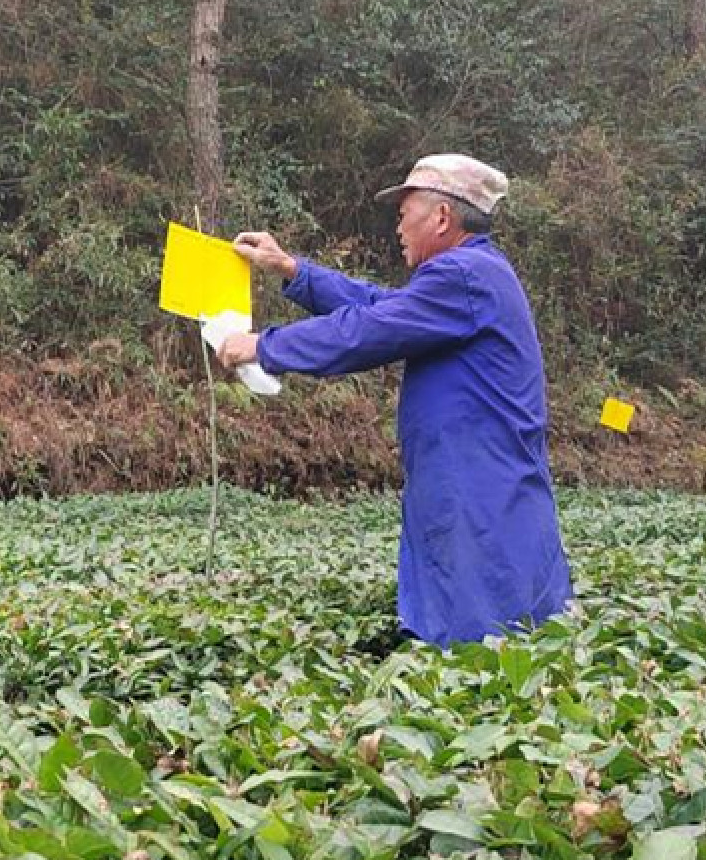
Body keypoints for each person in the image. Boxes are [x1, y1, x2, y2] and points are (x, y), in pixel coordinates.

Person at [215, 154, 571, 646]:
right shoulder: (469, 276)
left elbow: (368, 330)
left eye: (405, 212)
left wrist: (265, 346)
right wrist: (291, 270)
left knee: (486, 640)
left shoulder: (463, 276)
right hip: (467, 478)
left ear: (442, 217)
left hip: (479, 487)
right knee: (487, 628)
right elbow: (381, 306)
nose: (398, 227)